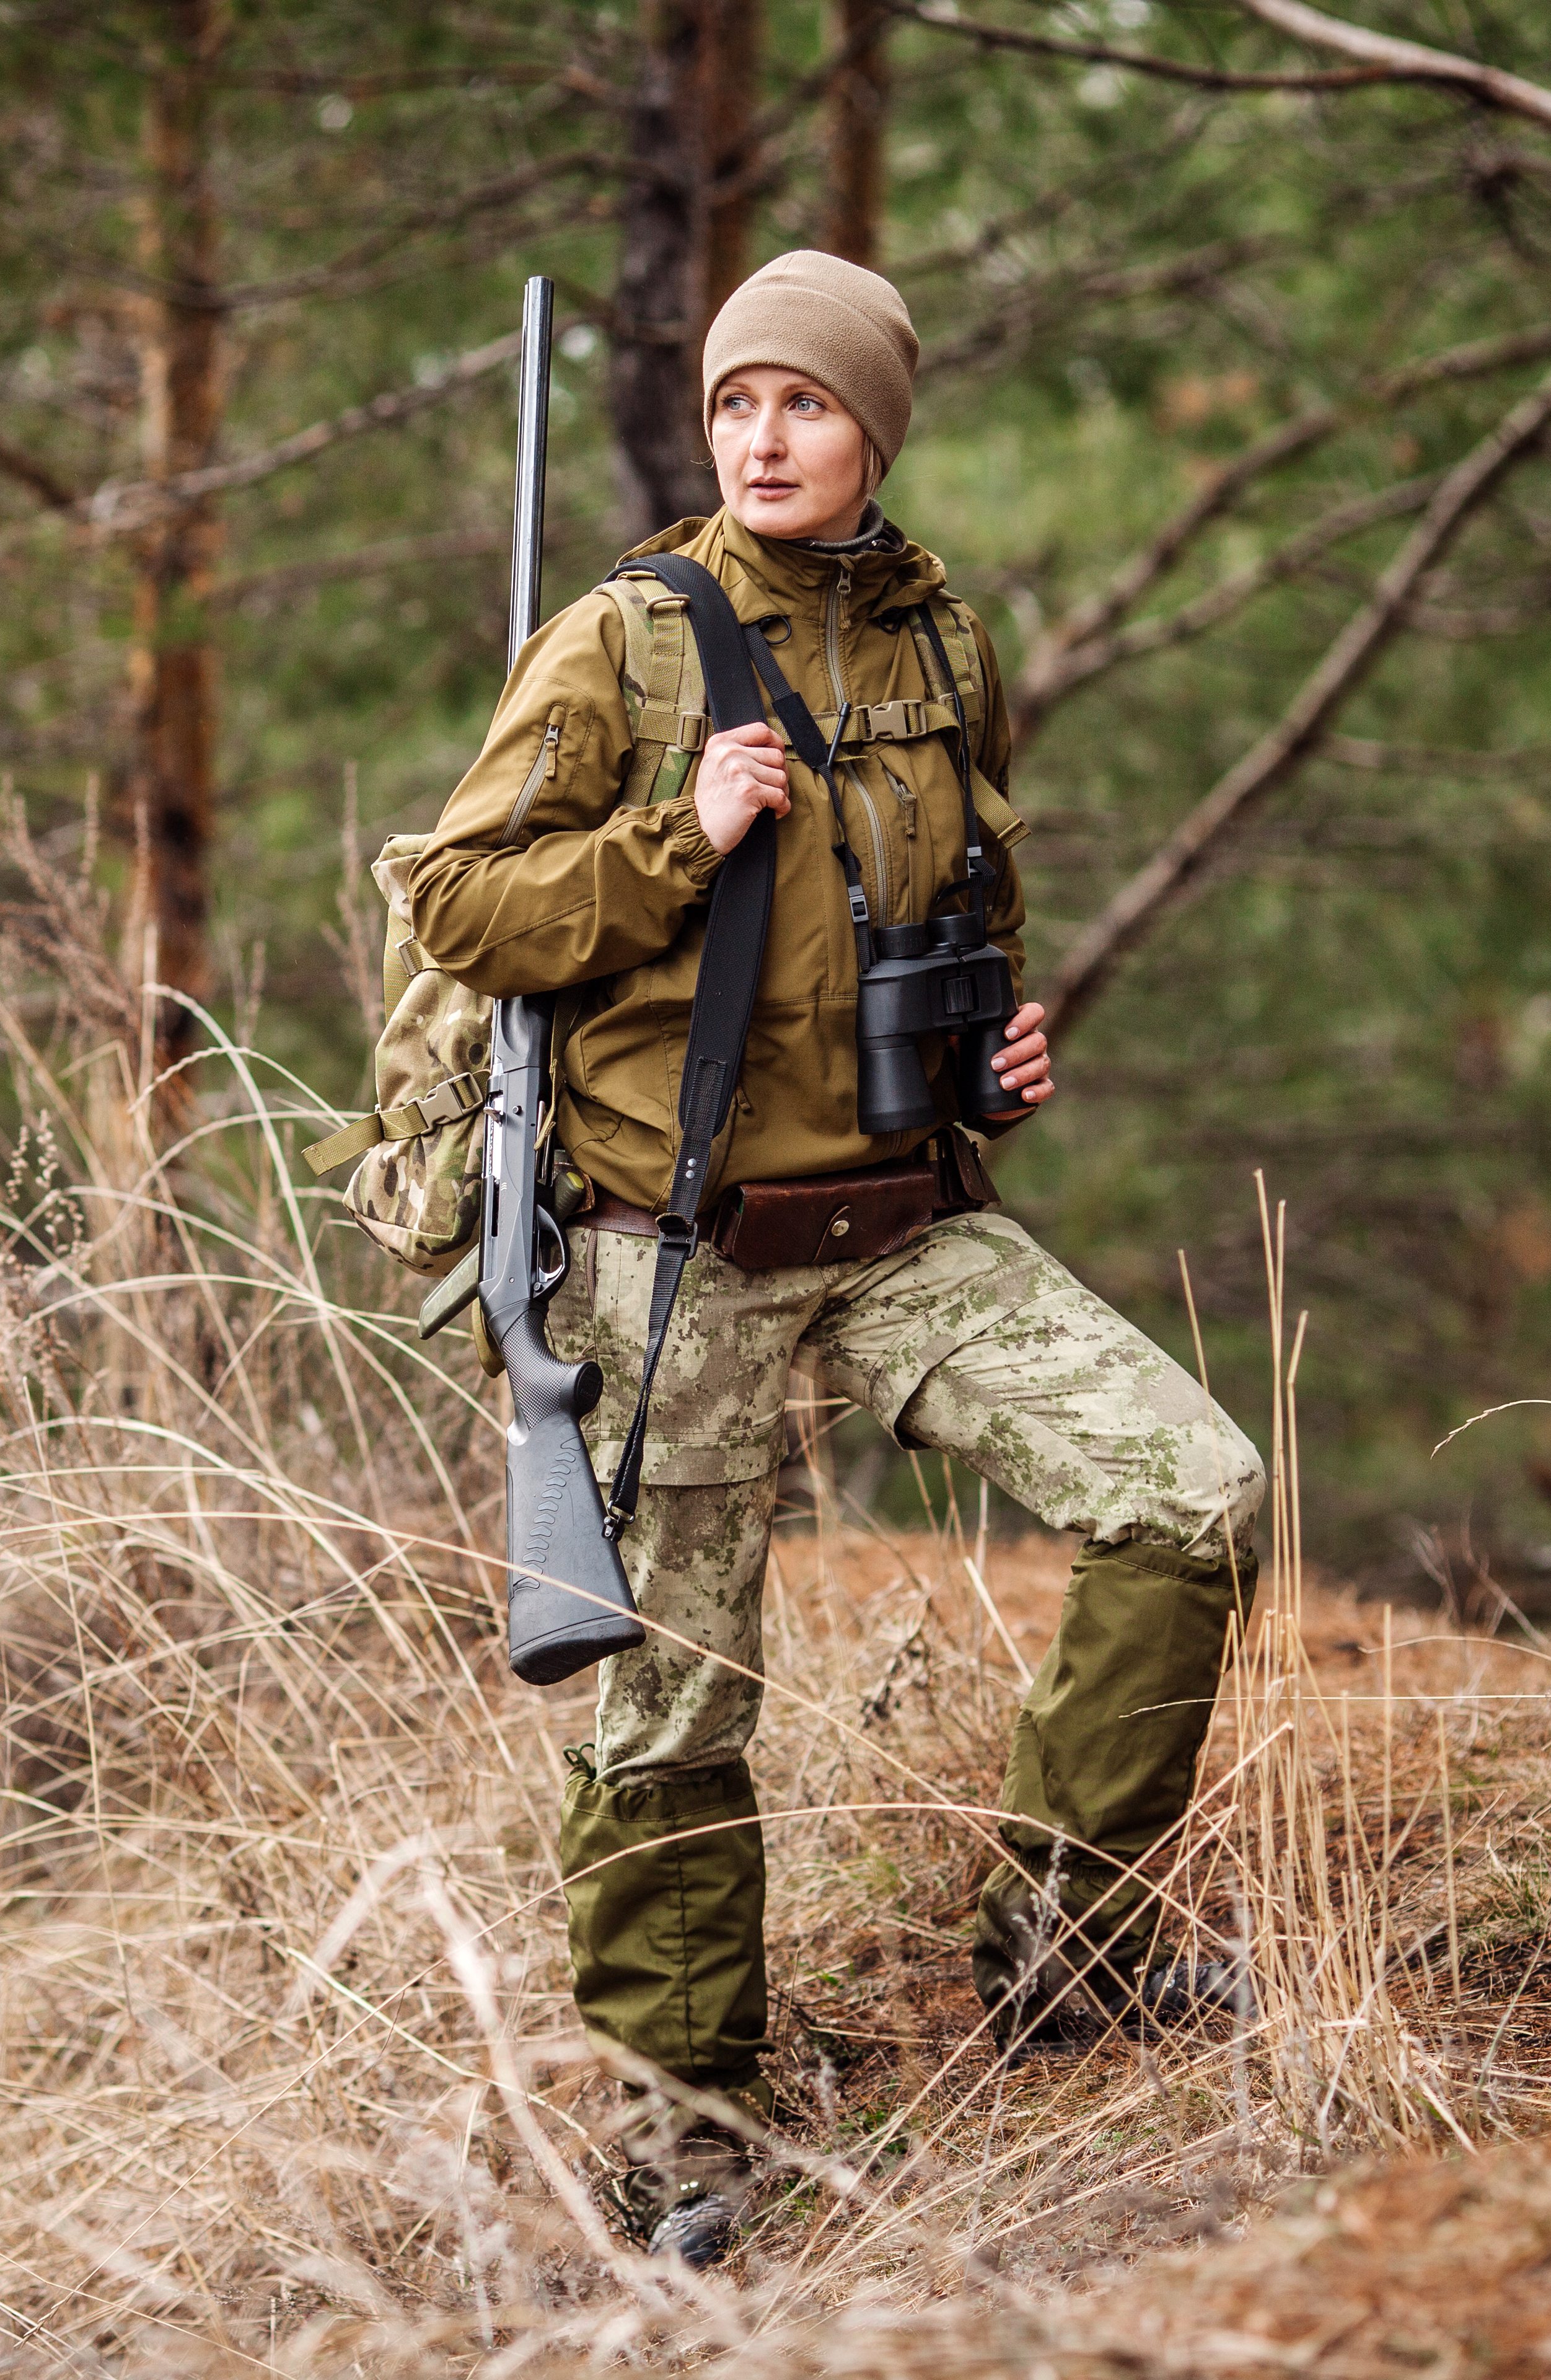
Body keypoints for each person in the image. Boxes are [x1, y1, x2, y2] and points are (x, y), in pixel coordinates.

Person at [405, 251, 1267, 2257]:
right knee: (674, 1709)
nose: (766, 438)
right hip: (672, 1243)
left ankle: (1066, 1951)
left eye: (804, 404)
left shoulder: (939, 633)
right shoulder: (628, 642)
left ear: (877, 424)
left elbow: (958, 880)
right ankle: (693, 2131)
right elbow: (458, 903)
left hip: (902, 1220)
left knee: (1190, 1497)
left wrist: (1001, 1038)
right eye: (736, 406)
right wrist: (675, 839)